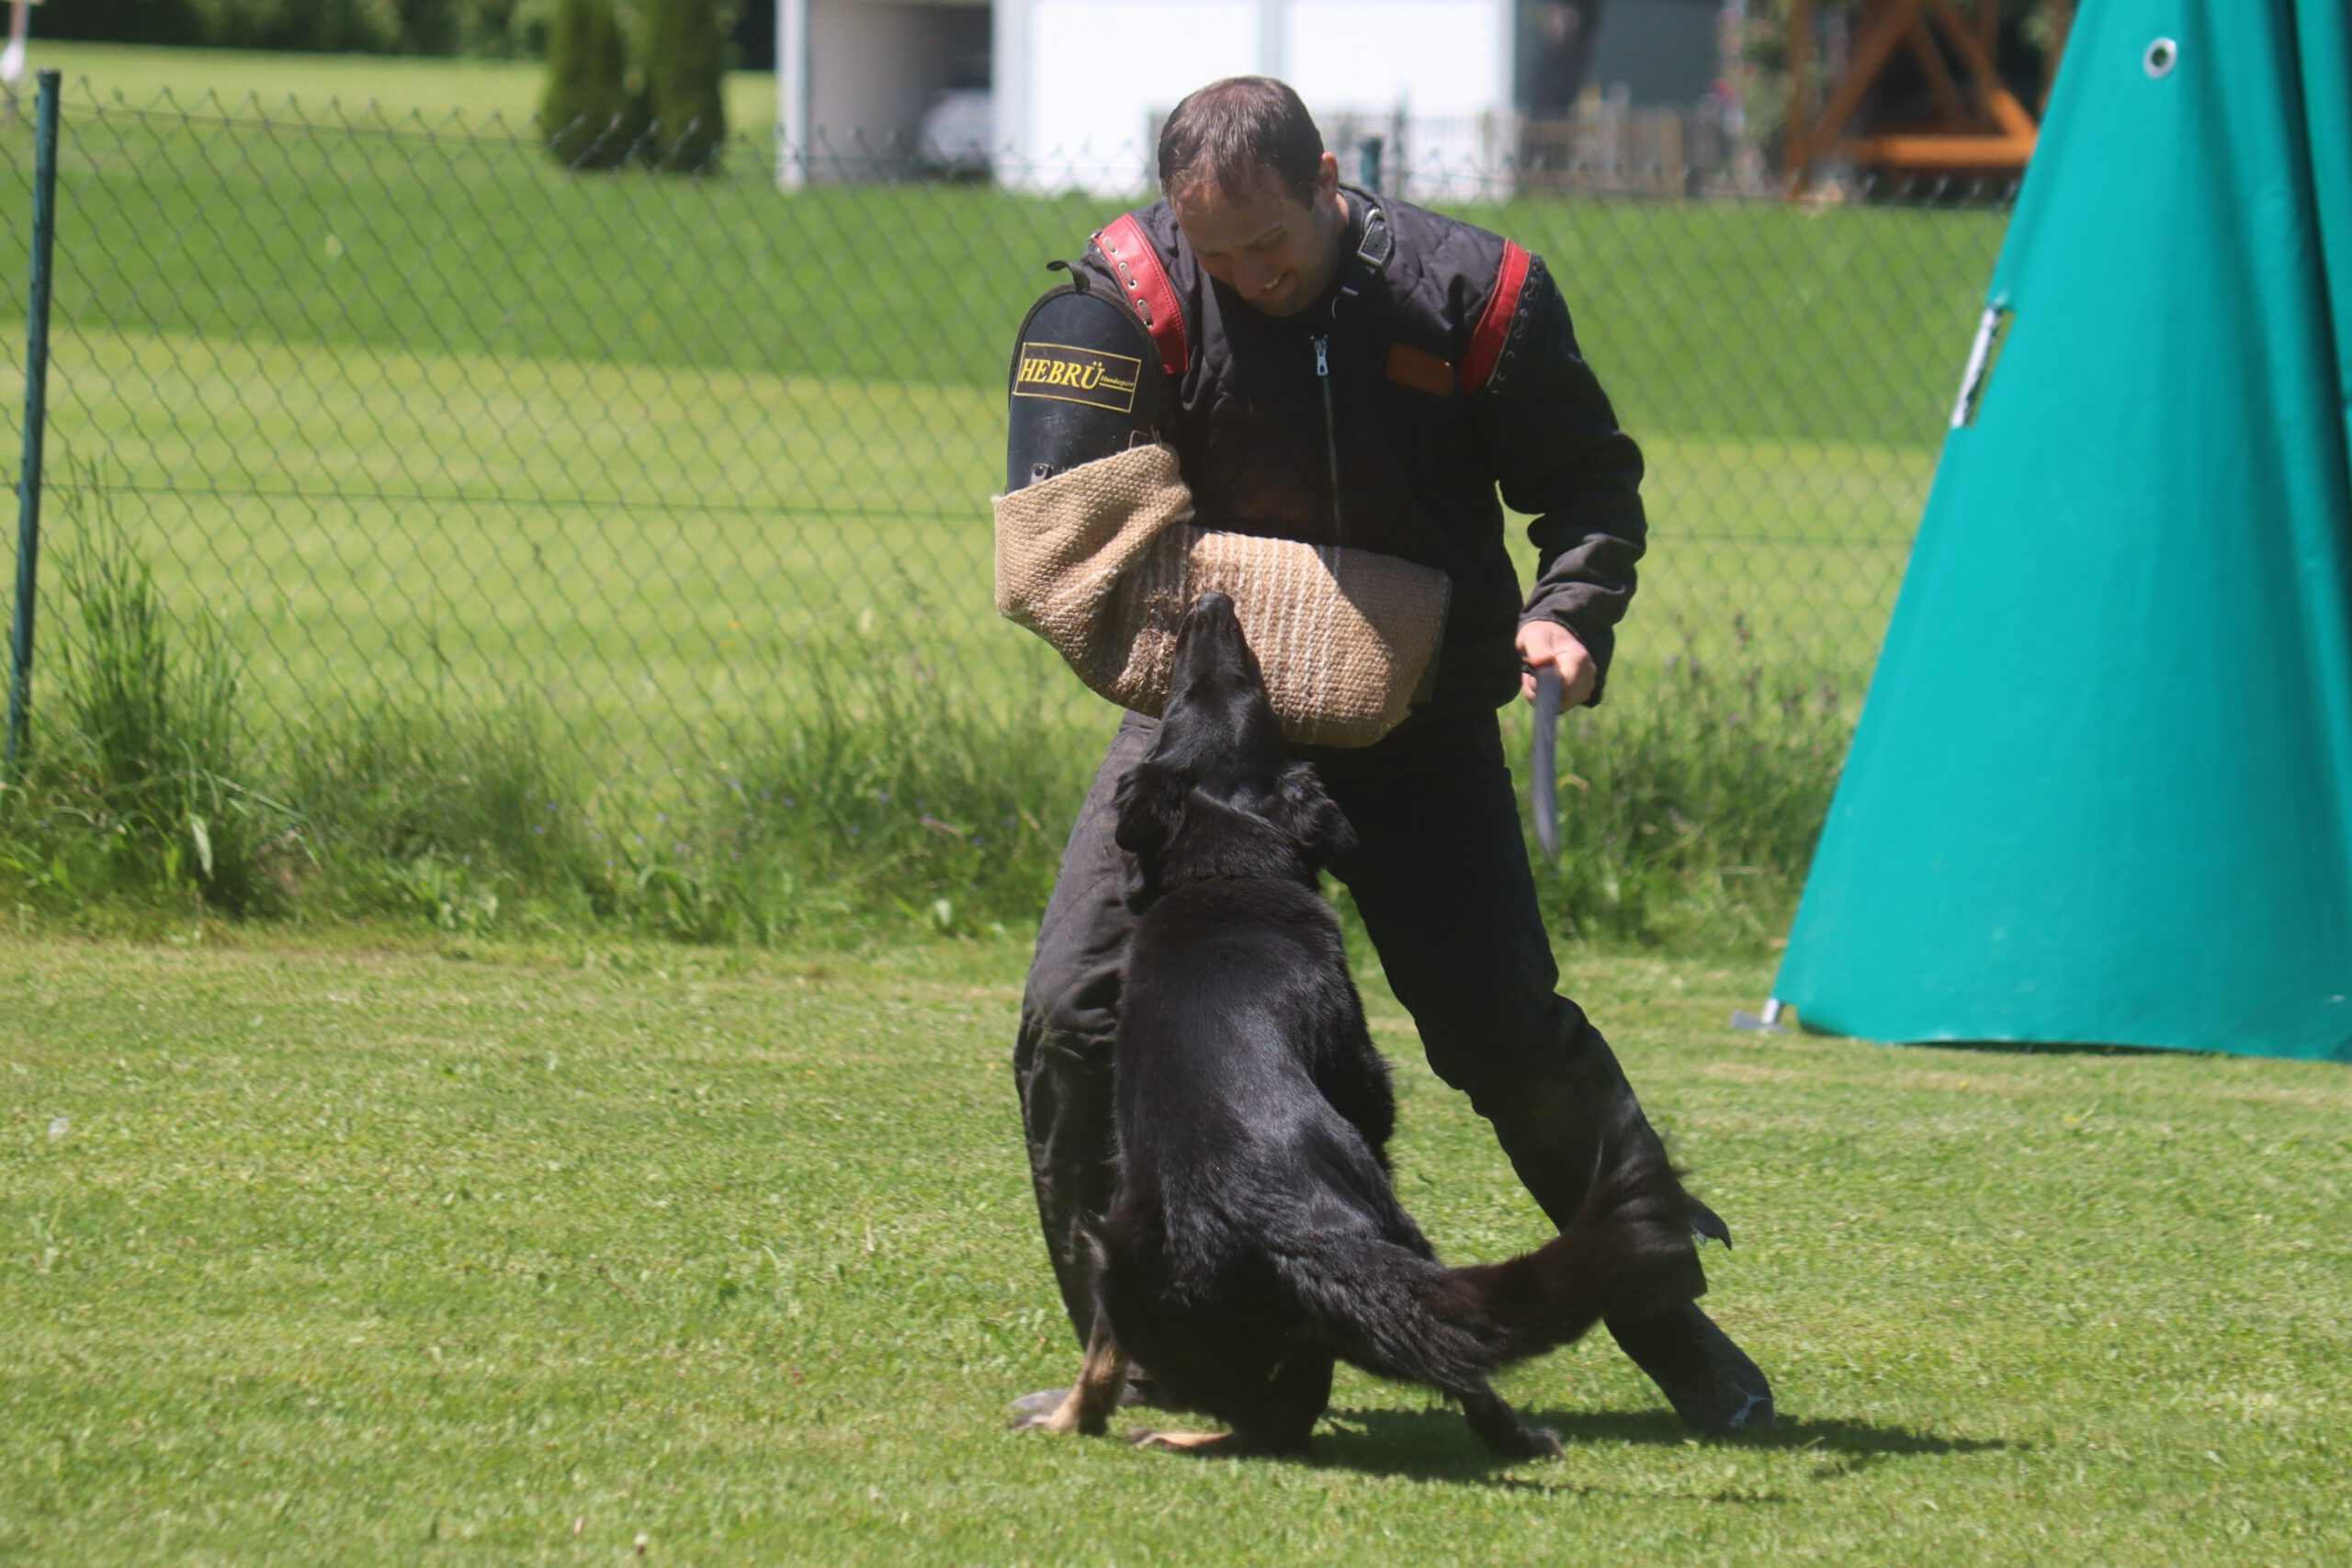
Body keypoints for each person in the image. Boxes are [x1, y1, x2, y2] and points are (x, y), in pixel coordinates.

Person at [1003, 76, 1773, 1436]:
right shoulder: (1137, 297)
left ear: (1331, 180)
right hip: (1214, 733)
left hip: (1421, 721)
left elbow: (1588, 487)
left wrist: (1566, 616)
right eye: (1217, 252)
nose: (1245, 275)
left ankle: (1670, 1327)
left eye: (1269, 246)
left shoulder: (1474, 299)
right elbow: (1077, 525)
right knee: (1074, 1016)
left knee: (1504, 1039)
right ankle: (1144, 1348)